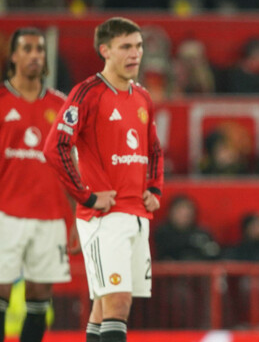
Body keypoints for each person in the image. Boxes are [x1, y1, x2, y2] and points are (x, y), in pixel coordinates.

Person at [43, 17, 164, 342]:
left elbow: (154, 149)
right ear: (105, 50)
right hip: (104, 218)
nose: (135, 54)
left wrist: (154, 187)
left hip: (137, 215)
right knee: (117, 302)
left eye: (138, 46)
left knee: (104, 305)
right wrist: (86, 196)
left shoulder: (143, 97)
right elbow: (55, 147)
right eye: (126, 47)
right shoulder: (87, 93)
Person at [0, 28, 77, 342]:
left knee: (40, 293)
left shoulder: (61, 106)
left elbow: (71, 165)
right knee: (1, 288)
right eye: (27, 48)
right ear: (13, 56)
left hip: (50, 216)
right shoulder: (1, 101)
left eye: (40, 50)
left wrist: (76, 218)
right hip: (5, 213)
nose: (35, 55)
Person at [154, 195, 220, 261]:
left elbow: (214, 252)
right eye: (180, 211)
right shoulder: (163, 233)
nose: (184, 215)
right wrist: (192, 241)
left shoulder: (202, 233)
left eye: (187, 213)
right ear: (171, 212)